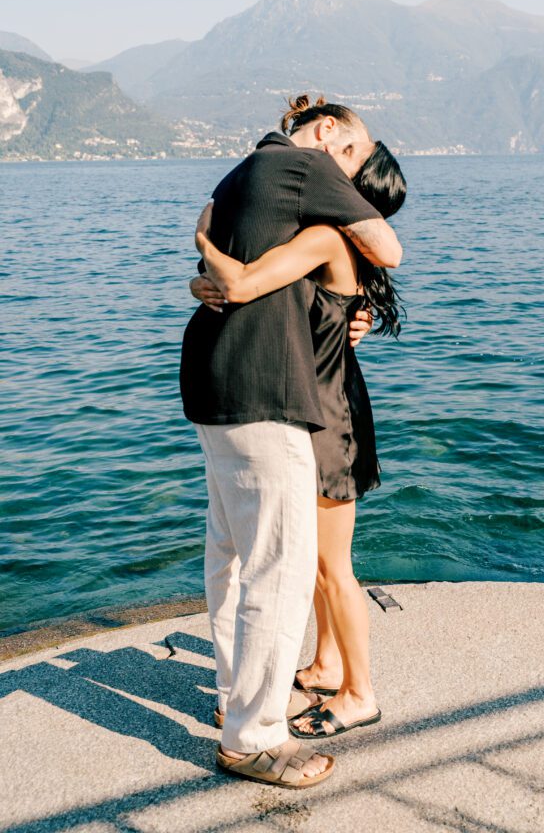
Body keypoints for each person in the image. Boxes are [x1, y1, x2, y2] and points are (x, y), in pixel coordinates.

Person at [180, 94, 402, 789]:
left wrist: (204, 251)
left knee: (255, 565)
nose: (339, 177)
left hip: (270, 399)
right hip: (275, 396)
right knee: (278, 569)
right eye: (346, 161)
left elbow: (237, 276)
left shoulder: (255, 184)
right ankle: (258, 727)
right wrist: (210, 271)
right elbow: (246, 284)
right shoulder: (303, 191)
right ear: (328, 134)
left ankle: (295, 693)